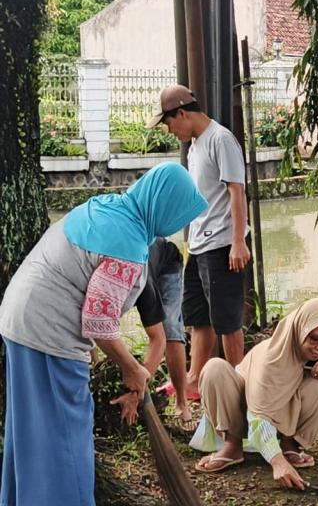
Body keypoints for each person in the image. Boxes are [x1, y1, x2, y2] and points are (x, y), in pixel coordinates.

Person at [0, 162, 207, 506]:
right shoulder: (127, 243)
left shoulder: (111, 208)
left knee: (31, 434)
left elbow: (81, 281)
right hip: (48, 333)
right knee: (66, 441)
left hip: (20, 319)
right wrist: (132, 368)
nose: (180, 224)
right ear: (165, 204)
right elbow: (99, 323)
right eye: (181, 214)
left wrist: (98, 350)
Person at [149, 84, 251, 398]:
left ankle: (240, 388)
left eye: (168, 123)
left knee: (227, 321)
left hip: (223, 245)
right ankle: (194, 379)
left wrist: (238, 241)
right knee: (198, 315)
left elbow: (237, 191)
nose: (169, 131)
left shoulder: (220, 139)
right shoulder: (195, 147)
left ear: (181, 113)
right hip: (200, 245)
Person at [190, 298, 318, 490]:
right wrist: (277, 462)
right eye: (314, 338)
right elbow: (257, 417)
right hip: (244, 410)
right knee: (214, 368)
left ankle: (291, 444)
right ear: (300, 330)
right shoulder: (270, 359)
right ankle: (232, 443)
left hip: (283, 414)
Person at [141, 237, 193, 421]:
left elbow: (158, 338)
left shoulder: (143, 283)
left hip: (167, 264)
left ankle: (182, 402)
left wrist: (139, 380)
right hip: (145, 266)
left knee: (170, 326)